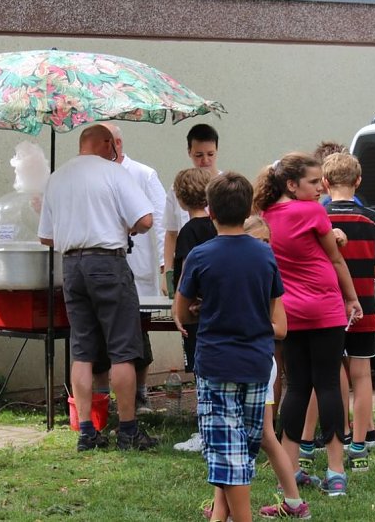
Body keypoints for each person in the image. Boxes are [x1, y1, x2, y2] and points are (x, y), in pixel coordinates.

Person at [37, 124, 158, 452]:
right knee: (122, 348)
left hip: (72, 267)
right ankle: (129, 430)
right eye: (114, 146)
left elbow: (46, 237)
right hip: (107, 263)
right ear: (106, 144)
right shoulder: (114, 173)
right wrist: (124, 224)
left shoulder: (57, 178)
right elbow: (146, 219)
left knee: (82, 348)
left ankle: (87, 430)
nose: (116, 151)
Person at [174, 172, 286, 522]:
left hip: (217, 365)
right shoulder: (266, 256)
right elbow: (275, 313)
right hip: (257, 365)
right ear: (248, 209)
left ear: (211, 212)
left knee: (229, 451)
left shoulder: (200, 255)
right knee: (241, 449)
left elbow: (181, 312)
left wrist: (198, 307)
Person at [254, 152, 362, 497]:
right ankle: (336, 471)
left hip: (289, 315)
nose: (320, 188)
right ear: (291, 184)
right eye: (314, 183)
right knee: (329, 385)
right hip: (325, 309)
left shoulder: (265, 217)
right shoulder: (314, 211)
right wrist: (352, 298)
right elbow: (335, 258)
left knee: (296, 386)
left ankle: (290, 468)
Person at [91, 123, 167, 414]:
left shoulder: (143, 174)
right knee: (100, 334)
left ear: (115, 144)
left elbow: (159, 219)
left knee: (136, 334)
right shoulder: (92, 176)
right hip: (103, 268)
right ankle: (102, 399)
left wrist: (164, 265)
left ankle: (141, 395)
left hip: (136, 268)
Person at [244, 215, 311, 520]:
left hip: (258, 363)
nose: (264, 248)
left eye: (268, 243)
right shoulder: (238, 274)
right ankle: (293, 503)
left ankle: (294, 502)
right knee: (244, 438)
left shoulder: (270, 277)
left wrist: (244, 323)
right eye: (258, 242)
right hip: (244, 361)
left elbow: (281, 328)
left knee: (264, 436)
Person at [322, 152, 375, 471]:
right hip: (365, 308)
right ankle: (360, 445)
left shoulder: (318, 217)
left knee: (335, 373)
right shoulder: (372, 219)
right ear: (358, 182)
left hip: (329, 309)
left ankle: (341, 434)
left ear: (324, 182)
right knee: (362, 377)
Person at [170, 167, 217, 454]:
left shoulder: (189, 232)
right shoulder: (216, 226)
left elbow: (189, 270)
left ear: (180, 199)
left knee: (201, 374)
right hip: (216, 307)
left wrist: (181, 306)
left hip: (196, 312)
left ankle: (204, 432)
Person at [163, 123, 220, 293]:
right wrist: (167, 272)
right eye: (198, 155)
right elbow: (171, 233)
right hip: (187, 260)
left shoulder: (226, 185)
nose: (205, 161)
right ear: (189, 152)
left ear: (217, 150)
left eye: (210, 154)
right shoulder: (178, 188)